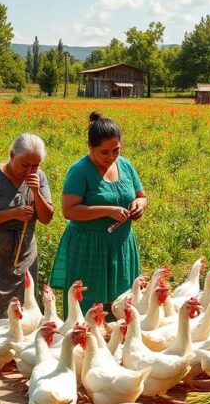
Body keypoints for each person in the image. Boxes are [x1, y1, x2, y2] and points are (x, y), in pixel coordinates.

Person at [50, 112, 147, 314]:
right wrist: (107, 210)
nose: (111, 157)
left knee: (123, 305)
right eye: (104, 152)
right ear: (90, 147)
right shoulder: (80, 171)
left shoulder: (126, 165)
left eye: (116, 150)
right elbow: (69, 211)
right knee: (89, 308)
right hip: (90, 247)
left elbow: (141, 195)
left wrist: (139, 204)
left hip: (121, 245)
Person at [0, 133, 54, 322]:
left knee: (24, 304)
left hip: (24, 254)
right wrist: (13, 213)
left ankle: (19, 348)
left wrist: (36, 192)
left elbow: (46, 217)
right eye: (25, 165)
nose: (30, 170)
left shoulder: (39, 178)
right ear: (11, 155)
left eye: (36, 165)